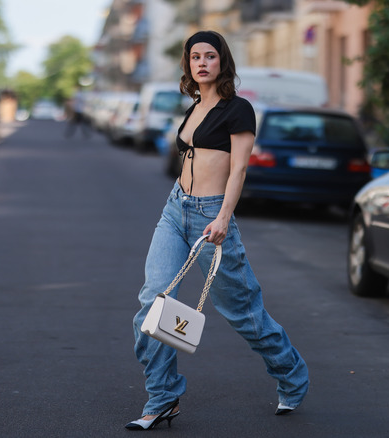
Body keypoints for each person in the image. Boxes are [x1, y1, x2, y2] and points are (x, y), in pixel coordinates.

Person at [126, 30, 309, 431]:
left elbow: (239, 168)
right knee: (152, 302)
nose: (202, 62)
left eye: (210, 56)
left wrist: (224, 217)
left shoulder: (238, 108)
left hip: (212, 216)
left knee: (242, 312)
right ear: (188, 64)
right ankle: (163, 396)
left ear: (222, 61)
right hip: (176, 210)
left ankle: (292, 375)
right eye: (195, 57)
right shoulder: (193, 105)